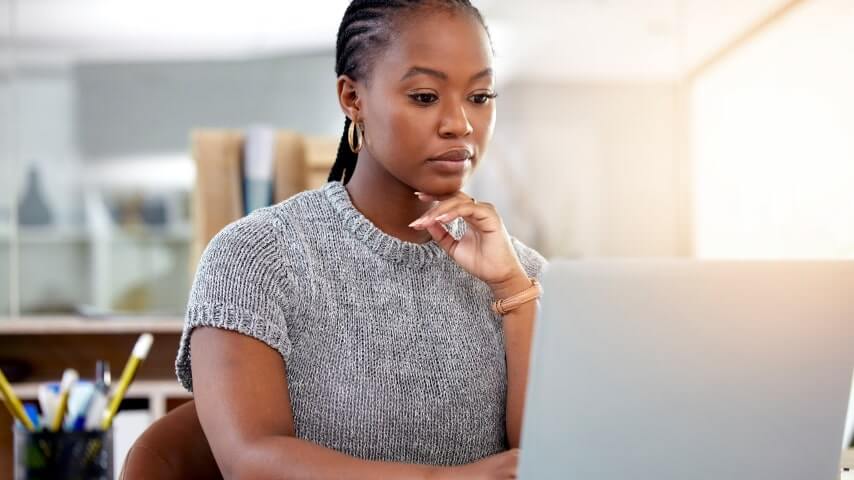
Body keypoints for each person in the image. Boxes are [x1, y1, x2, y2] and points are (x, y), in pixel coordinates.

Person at [175, 1, 548, 478]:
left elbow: (551, 458)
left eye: (480, 96)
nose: (461, 124)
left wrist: (515, 295)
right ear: (353, 98)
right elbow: (250, 461)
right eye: (425, 96)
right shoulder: (255, 256)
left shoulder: (527, 276)